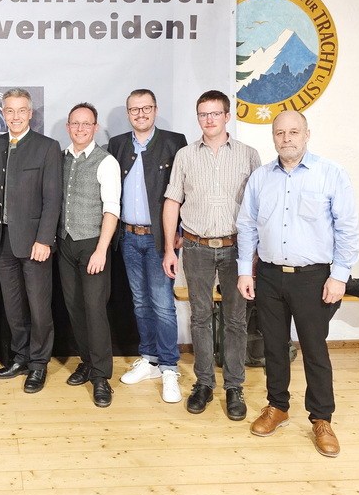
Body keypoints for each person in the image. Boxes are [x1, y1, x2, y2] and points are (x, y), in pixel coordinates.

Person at [236, 110, 359, 458]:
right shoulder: (261, 178)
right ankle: (277, 407)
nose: (286, 138)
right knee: (273, 347)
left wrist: (339, 275)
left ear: (307, 134)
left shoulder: (331, 173)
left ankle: (321, 419)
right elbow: (246, 225)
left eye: (293, 132)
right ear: (273, 138)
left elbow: (347, 227)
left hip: (314, 279)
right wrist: (245, 271)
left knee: (314, 350)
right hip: (269, 275)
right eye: (280, 133)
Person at [162, 90, 260, 421]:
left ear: (227, 116)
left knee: (235, 319)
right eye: (203, 114)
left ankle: (234, 386)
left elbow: (258, 206)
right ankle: (203, 383)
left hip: (236, 248)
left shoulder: (248, 155)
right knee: (200, 318)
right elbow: (172, 201)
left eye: (215, 113)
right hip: (195, 246)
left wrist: (255, 253)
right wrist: (169, 248)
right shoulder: (185, 155)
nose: (209, 119)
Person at [107, 88, 186, 403]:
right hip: (128, 236)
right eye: (134, 109)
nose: (140, 114)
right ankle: (150, 359)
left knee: (163, 304)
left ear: (155, 109)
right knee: (140, 302)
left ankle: (169, 367)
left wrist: (180, 231)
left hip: (159, 238)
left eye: (146, 108)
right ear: (128, 113)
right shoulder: (117, 145)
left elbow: (186, 189)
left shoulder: (174, 142)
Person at [0, 88, 62, 393]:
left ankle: (39, 364)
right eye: (10, 110)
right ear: (3, 114)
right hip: (2, 241)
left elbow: (52, 199)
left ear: (30, 114)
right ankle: (20, 357)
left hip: (34, 243)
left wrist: (44, 239)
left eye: (21, 110)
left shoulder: (47, 147)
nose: (15, 116)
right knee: (13, 306)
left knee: (39, 308)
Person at [59, 103, 121, 407]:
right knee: (74, 307)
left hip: (93, 245)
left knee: (95, 311)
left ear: (95, 128)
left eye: (87, 124)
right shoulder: (60, 158)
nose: (80, 128)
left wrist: (101, 250)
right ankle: (86, 361)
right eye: (75, 123)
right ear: (68, 127)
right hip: (65, 244)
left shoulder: (106, 161)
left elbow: (112, 209)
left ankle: (100, 376)